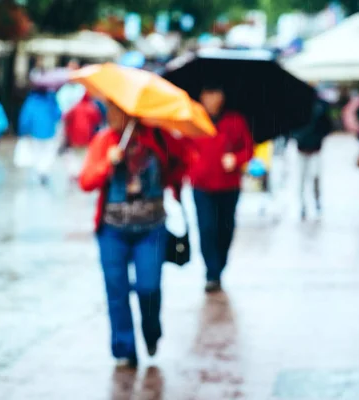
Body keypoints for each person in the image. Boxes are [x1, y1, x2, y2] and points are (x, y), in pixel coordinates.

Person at [79, 101, 191, 368]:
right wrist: (107, 163)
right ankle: (124, 349)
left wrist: (165, 146)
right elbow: (86, 181)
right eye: (109, 110)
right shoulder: (104, 140)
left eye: (117, 110)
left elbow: (183, 162)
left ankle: (151, 331)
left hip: (150, 229)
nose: (111, 115)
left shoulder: (156, 138)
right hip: (112, 230)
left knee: (148, 286)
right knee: (116, 289)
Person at [189, 85, 254, 293]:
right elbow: (183, 149)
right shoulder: (194, 119)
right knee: (206, 227)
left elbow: (248, 148)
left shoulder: (235, 120)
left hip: (228, 185)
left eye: (216, 93)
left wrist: (236, 159)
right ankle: (212, 271)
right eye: (207, 93)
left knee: (225, 228)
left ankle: (220, 265)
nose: (211, 99)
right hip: (201, 185)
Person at [292, 98, 333, 219]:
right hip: (302, 149)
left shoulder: (320, 105)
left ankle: (316, 202)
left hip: (315, 149)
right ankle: (303, 205)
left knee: (315, 177)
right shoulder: (297, 106)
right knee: (301, 179)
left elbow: (327, 125)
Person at [18, 89, 61, 184]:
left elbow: (25, 117)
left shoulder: (31, 101)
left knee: (37, 152)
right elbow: (58, 115)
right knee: (48, 153)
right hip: (49, 131)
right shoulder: (51, 100)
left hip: (35, 132)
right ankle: (43, 171)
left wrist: (24, 131)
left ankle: (40, 171)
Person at [63, 93, 101, 181]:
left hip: (74, 137)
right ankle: (80, 173)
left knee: (75, 155)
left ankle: (74, 173)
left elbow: (66, 118)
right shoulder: (92, 108)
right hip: (86, 137)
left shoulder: (75, 107)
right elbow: (97, 120)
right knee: (83, 156)